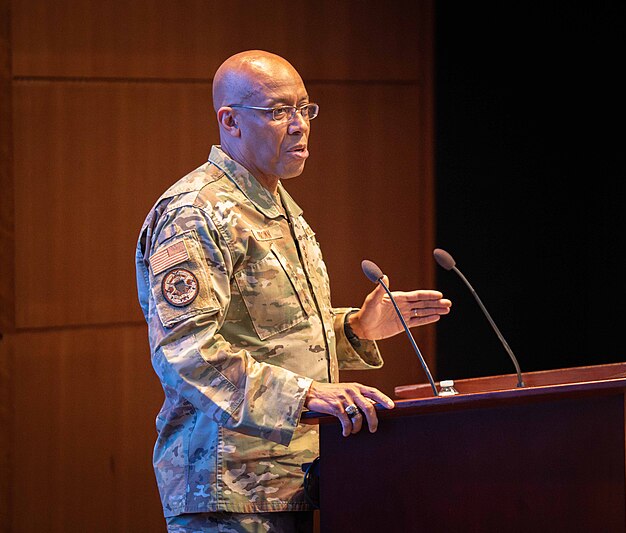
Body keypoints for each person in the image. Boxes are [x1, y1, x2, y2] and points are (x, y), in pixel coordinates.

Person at [134, 49, 451, 532]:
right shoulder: (195, 212)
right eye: (279, 111)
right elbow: (186, 353)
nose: (301, 125)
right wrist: (307, 396)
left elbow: (268, 332)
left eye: (305, 108)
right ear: (230, 121)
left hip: (292, 481)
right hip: (228, 492)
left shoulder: (273, 203)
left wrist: (356, 329)